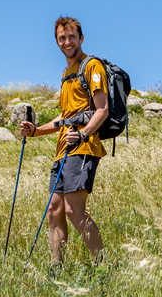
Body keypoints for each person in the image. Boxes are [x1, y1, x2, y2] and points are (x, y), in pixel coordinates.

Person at [18, 16, 108, 266]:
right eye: (62, 38)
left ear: (81, 38)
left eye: (71, 37)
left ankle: (103, 266)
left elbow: (102, 109)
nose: (67, 42)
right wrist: (36, 131)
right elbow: (65, 116)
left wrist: (82, 134)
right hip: (63, 149)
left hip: (83, 146)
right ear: (57, 41)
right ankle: (57, 268)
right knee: (54, 209)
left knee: (73, 210)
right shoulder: (67, 73)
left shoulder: (92, 67)